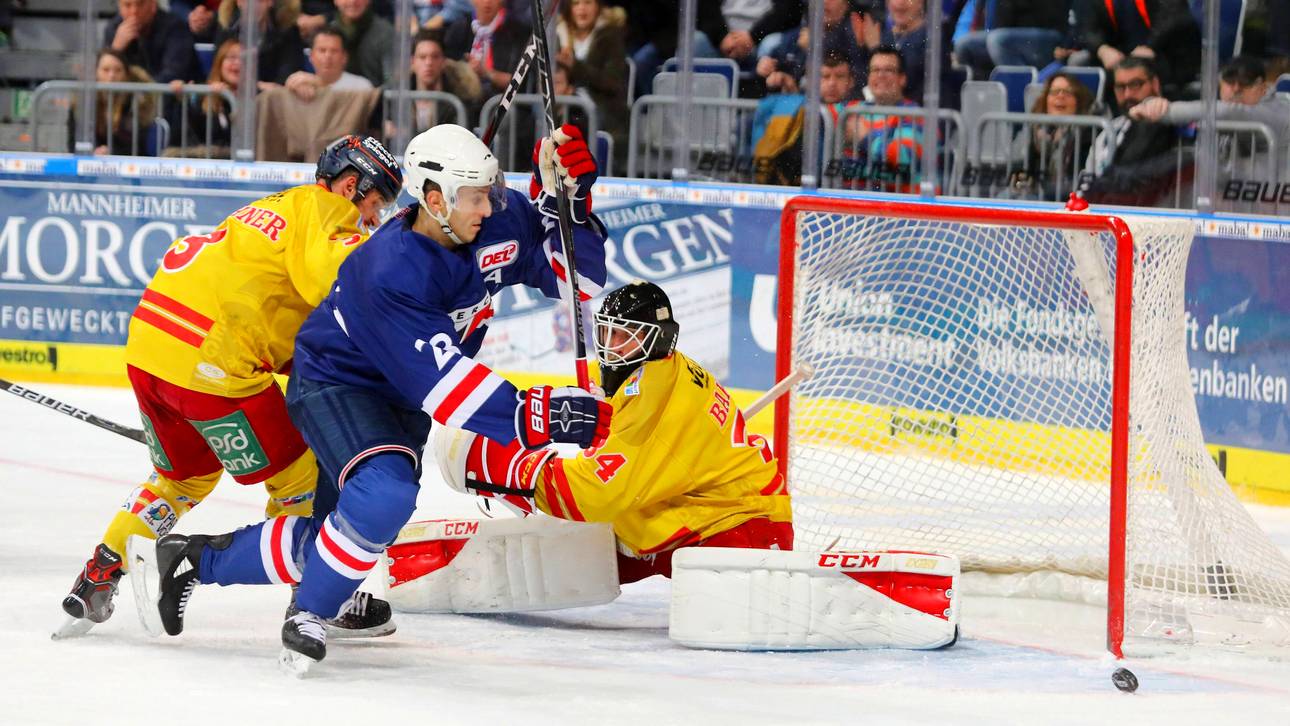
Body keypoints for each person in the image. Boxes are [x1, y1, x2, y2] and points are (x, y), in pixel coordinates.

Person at [148, 123, 612, 669]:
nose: (488, 207)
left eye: (489, 192)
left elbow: (578, 279)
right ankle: (309, 614)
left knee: (337, 536)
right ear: (435, 199)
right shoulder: (389, 268)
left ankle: (194, 559)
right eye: (475, 197)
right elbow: (449, 391)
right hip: (338, 384)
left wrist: (568, 206)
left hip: (400, 396)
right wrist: (546, 413)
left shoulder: (492, 218)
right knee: (384, 495)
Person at [59, 135, 403, 638]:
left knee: (182, 480)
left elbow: (278, 315)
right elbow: (331, 282)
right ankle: (318, 597)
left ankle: (98, 576)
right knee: (302, 478)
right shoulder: (327, 210)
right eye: (375, 204)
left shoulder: (275, 210)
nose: (373, 218)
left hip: (150, 349)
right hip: (212, 366)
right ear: (350, 186)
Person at [436, 280, 794, 584]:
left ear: (658, 339)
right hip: (691, 513)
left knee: (590, 519)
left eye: (625, 336)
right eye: (607, 331)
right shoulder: (648, 372)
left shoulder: (654, 396)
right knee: (575, 557)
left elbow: (598, 494)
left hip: (745, 534)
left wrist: (516, 470)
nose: (611, 344)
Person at [1083, 57, 1183, 206]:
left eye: (1135, 84)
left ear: (1155, 84)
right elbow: (1089, 178)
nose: (1128, 94)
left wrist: (1161, 109)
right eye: (1120, 87)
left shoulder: (1175, 123)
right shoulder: (1109, 130)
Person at [555, 0, 628, 166]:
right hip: (564, 104)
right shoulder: (559, 34)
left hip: (602, 109)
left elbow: (612, 82)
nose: (582, 8)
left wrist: (575, 66)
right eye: (576, 3)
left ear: (598, 6)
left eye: (587, 2)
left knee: (575, 116)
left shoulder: (611, 36)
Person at [1005, 71, 1095, 200]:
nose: (1060, 96)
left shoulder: (1087, 133)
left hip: (1067, 199)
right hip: (1036, 193)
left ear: (1078, 101)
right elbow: (1017, 165)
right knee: (1005, 196)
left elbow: (1077, 181)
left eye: (1068, 92)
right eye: (1054, 92)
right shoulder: (1035, 127)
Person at [70, 48, 158, 156]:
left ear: (126, 74)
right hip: (90, 160)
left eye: (118, 70)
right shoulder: (82, 102)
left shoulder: (136, 103)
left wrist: (110, 152)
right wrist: (94, 151)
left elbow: (136, 144)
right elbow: (74, 141)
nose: (111, 76)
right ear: (96, 72)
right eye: (106, 70)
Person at [102, 0, 202, 83]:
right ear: (120, 8)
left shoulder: (175, 28)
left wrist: (142, 93)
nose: (134, 11)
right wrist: (116, 50)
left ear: (153, 4)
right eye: (128, 5)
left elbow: (173, 73)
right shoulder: (114, 29)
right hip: (129, 98)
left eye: (140, 4)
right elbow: (103, 75)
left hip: (168, 98)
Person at [214, 0, 307, 86]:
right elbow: (217, 72)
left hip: (273, 95)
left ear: (270, 2)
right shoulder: (226, 28)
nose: (252, 6)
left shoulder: (288, 31)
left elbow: (289, 74)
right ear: (238, 2)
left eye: (259, 1)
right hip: (232, 93)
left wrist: (269, 88)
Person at [284, 26, 374, 101]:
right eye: (322, 50)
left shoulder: (362, 86)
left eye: (334, 51)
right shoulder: (301, 82)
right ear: (311, 56)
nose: (328, 56)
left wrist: (320, 84)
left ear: (344, 57)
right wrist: (291, 89)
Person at [333, 0, 395, 86]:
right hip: (334, 93)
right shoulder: (327, 35)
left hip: (376, 92)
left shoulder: (386, 33)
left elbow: (393, 82)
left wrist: (375, 93)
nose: (353, 2)